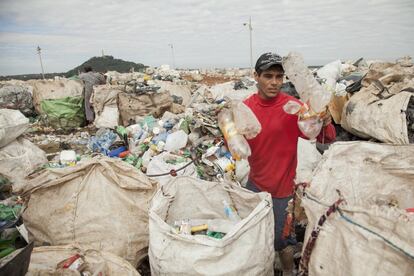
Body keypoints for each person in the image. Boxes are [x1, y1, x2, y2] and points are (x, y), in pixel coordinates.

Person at [243, 53, 336, 275]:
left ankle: (287, 270)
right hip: (254, 185)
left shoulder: (294, 108)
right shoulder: (246, 108)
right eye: (268, 76)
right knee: (254, 234)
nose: (274, 82)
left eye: (279, 76)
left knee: (281, 240)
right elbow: (235, 144)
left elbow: (327, 137)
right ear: (256, 76)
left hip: (282, 190)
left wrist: (324, 121)